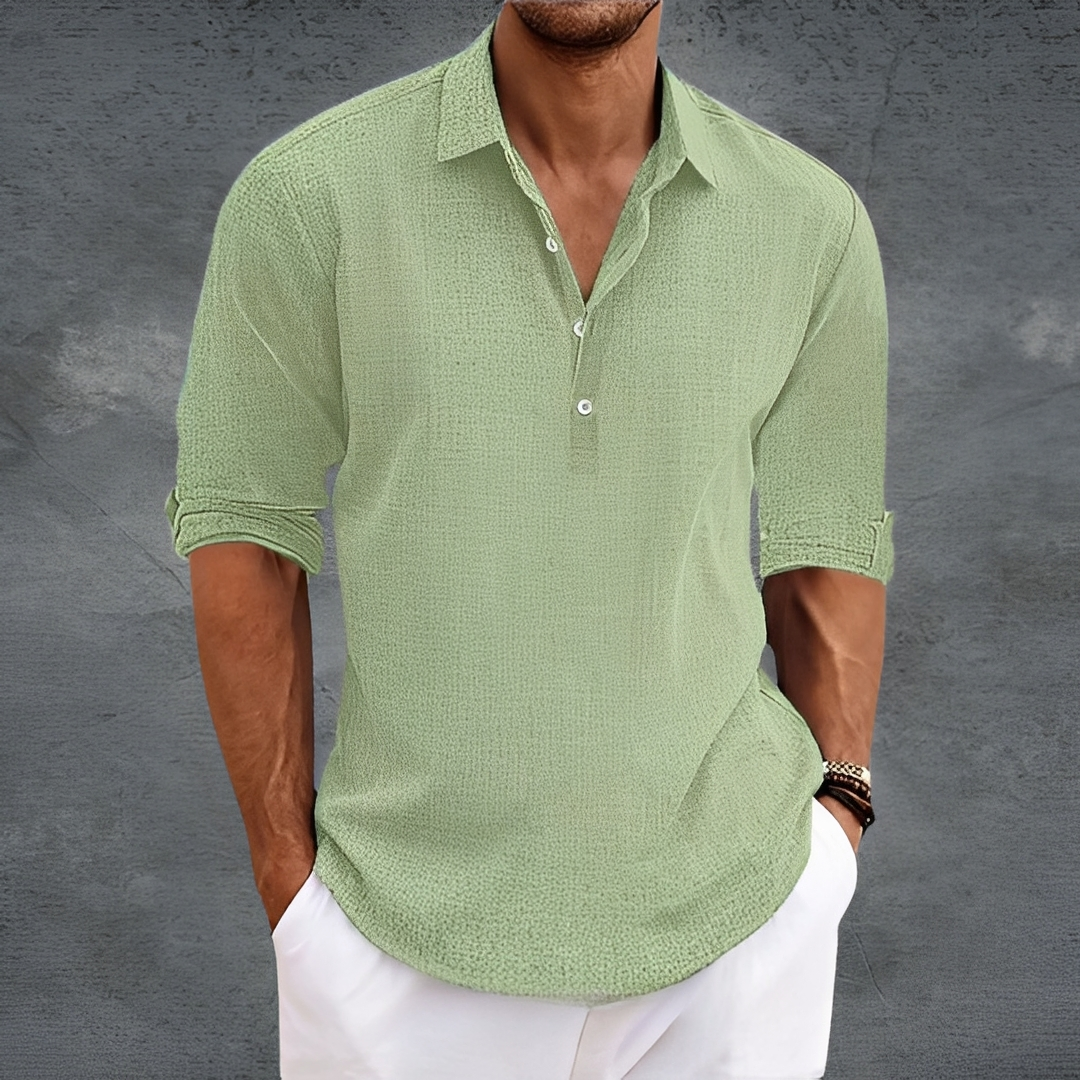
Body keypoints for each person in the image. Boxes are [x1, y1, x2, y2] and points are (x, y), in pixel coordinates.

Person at [165, 1, 895, 1076]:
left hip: (740, 938)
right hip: (392, 944)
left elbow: (826, 535)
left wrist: (838, 820)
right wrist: (293, 894)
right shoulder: (309, 195)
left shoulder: (809, 219)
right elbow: (244, 526)